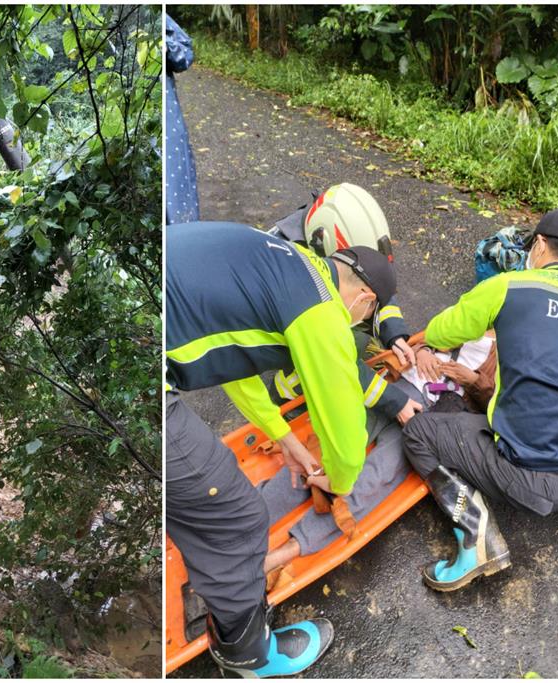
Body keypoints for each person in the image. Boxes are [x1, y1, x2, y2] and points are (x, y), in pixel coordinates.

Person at [166, 220, 398, 677]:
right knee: (238, 516)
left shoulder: (284, 260)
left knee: (195, 486)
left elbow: (232, 358)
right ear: (365, 301)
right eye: (365, 321)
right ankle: (249, 655)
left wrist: (287, 439)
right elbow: (345, 422)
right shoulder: (324, 313)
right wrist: (341, 480)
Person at [401, 207, 558, 592]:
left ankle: (477, 539)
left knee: (421, 432)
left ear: (540, 245)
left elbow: (442, 332)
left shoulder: (510, 286)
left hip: (536, 483)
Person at [262, 335, 498, 577]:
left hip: (428, 419)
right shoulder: (469, 320)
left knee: (374, 479)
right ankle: (251, 516)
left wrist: (474, 381)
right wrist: (424, 351)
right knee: (325, 452)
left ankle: (288, 550)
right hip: (395, 391)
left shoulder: (504, 357)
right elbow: (420, 338)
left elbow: (494, 407)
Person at [267, 183, 424, 426]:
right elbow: (327, 349)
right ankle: (285, 398)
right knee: (338, 350)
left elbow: (377, 283)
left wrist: (395, 334)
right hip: (284, 329)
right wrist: (394, 402)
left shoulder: (342, 229)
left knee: (359, 339)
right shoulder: (288, 267)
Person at [165, 15, 199, 224]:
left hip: (168, 120)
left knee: (175, 186)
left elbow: (185, 54)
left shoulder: (158, 16)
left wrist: (166, 47)